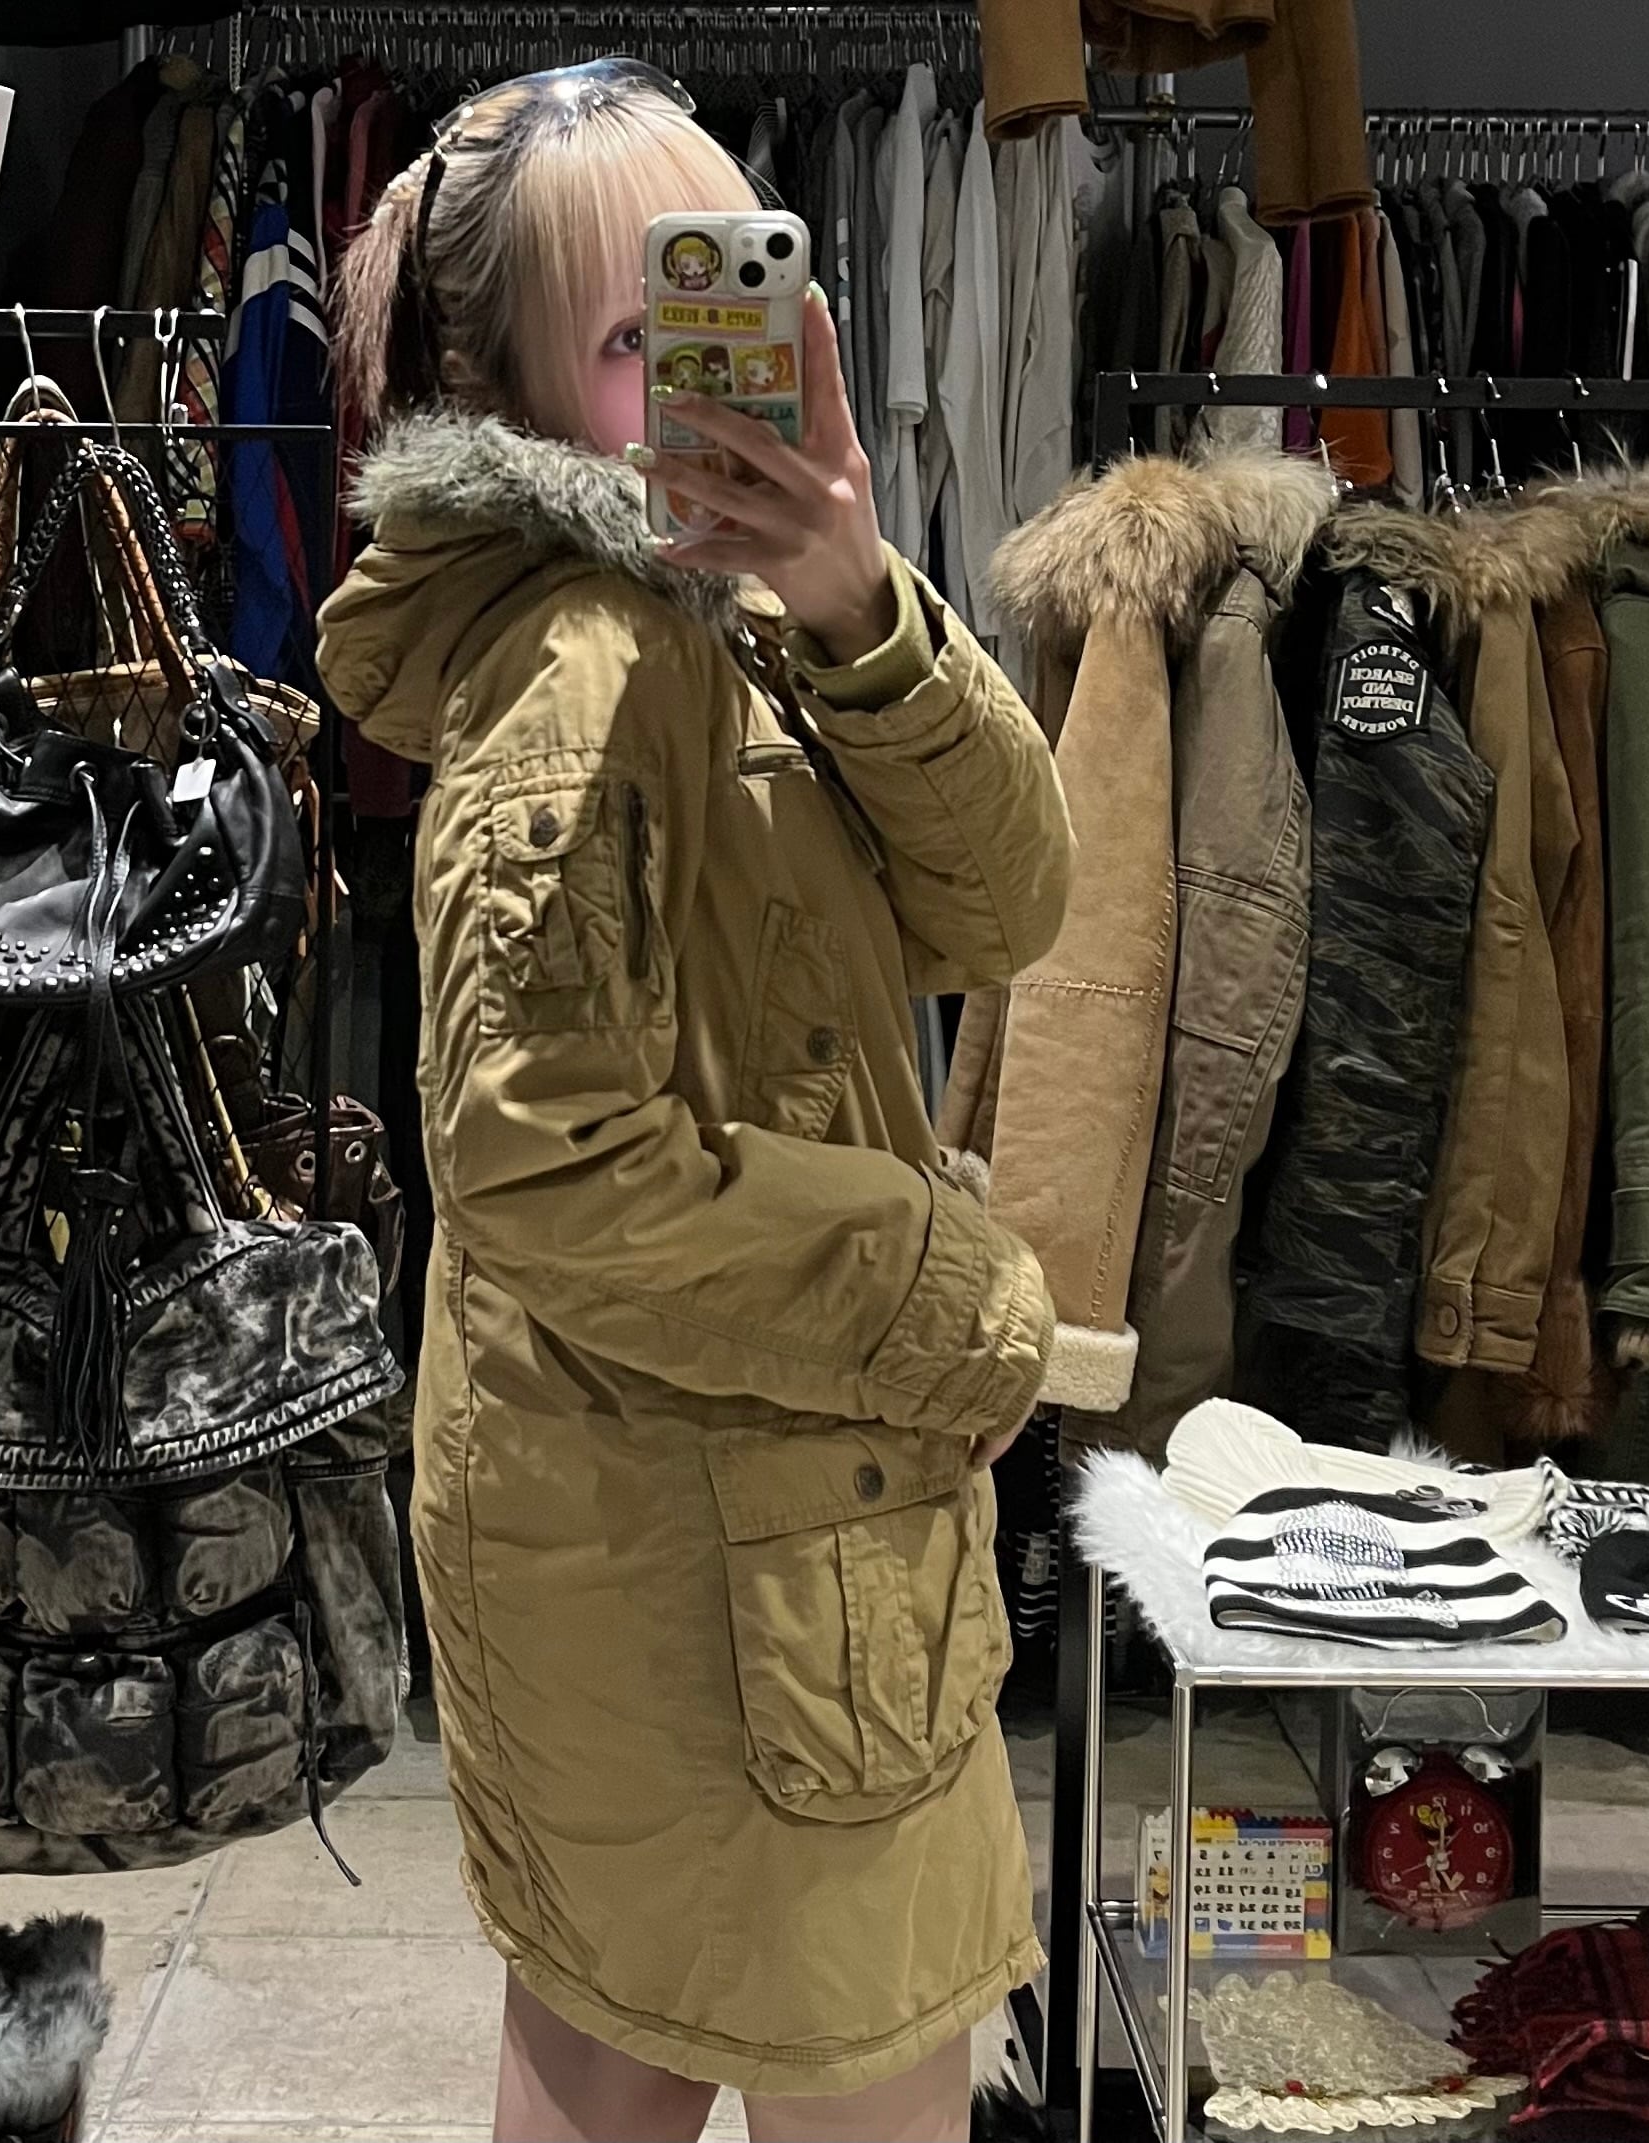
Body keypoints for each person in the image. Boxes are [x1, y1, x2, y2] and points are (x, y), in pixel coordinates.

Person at [317, 60, 1073, 2143]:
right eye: (633, 336)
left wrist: (857, 603)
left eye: (725, 292)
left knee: (603, 2040)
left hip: (722, 1537)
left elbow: (1004, 900)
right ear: (508, 389)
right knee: (803, 2052)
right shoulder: (587, 663)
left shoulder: (723, 611)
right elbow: (551, 1169)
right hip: (720, 1570)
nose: (698, 370)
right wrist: (944, 1294)